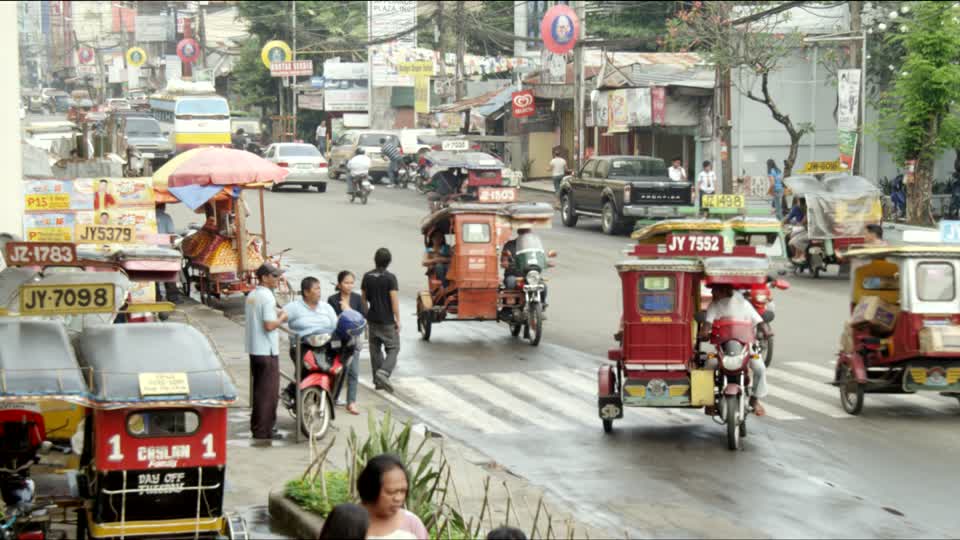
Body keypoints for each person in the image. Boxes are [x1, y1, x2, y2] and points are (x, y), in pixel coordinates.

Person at [699, 284, 769, 417]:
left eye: (716, 289)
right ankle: (709, 401)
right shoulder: (714, 305)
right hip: (723, 348)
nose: (713, 292)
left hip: (745, 347)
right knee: (708, 365)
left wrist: (766, 330)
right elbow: (707, 323)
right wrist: (704, 332)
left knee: (760, 368)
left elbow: (759, 321)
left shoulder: (744, 303)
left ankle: (755, 400)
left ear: (726, 290)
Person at [245, 263, 288, 447]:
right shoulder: (267, 297)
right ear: (264, 278)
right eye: (274, 276)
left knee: (259, 390)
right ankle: (264, 430)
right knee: (268, 393)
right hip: (266, 350)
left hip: (255, 348)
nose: (277, 279)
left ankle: (258, 426)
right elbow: (269, 325)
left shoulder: (253, 295)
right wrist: (282, 318)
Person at [358, 454, 429, 540]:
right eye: (391, 492)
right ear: (371, 489)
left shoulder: (413, 524)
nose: (398, 498)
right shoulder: (349, 524)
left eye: (403, 491)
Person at [362, 248, 400, 393]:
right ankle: (384, 372)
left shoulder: (367, 276)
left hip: (373, 319)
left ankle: (378, 382)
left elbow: (363, 299)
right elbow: (394, 300)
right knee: (394, 348)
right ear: (389, 262)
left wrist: (366, 315)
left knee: (375, 349)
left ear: (375, 260)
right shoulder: (390, 278)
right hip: (387, 320)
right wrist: (397, 319)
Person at [328, 271, 364, 416]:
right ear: (339, 284)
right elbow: (331, 320)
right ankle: (333, 398)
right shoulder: (332, 299)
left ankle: (352, 401)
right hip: (338, 340)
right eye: (346, 283)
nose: (349, 286)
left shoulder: (357, 299)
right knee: (337, 370)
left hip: (353, 341)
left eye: (351, 283)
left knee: (353, 372)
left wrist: (347, 310)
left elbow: (361, 319)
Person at [154, 203, 181, 305]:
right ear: (163, 206)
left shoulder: (149, 217)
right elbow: (171, 234)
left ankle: (157, 297)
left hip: (151, 251)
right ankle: (173, 297)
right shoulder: (166, 217)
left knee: (153, 275)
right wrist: (173, 244)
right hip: (165, 251)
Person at [422, 229, 452, 293]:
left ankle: (451, 284)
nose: (437, 239)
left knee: (449, 267)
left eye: (440, 237)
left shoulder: (447, 248)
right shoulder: (429, 250)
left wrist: (443, 260)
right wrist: (435, 260)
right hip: (436, 269)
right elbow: (424, 262)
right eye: (435, 237)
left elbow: (453, 258)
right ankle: (444, 286)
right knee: (439, 266)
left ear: (442, 239)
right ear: (432, 239)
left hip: (447, 266)